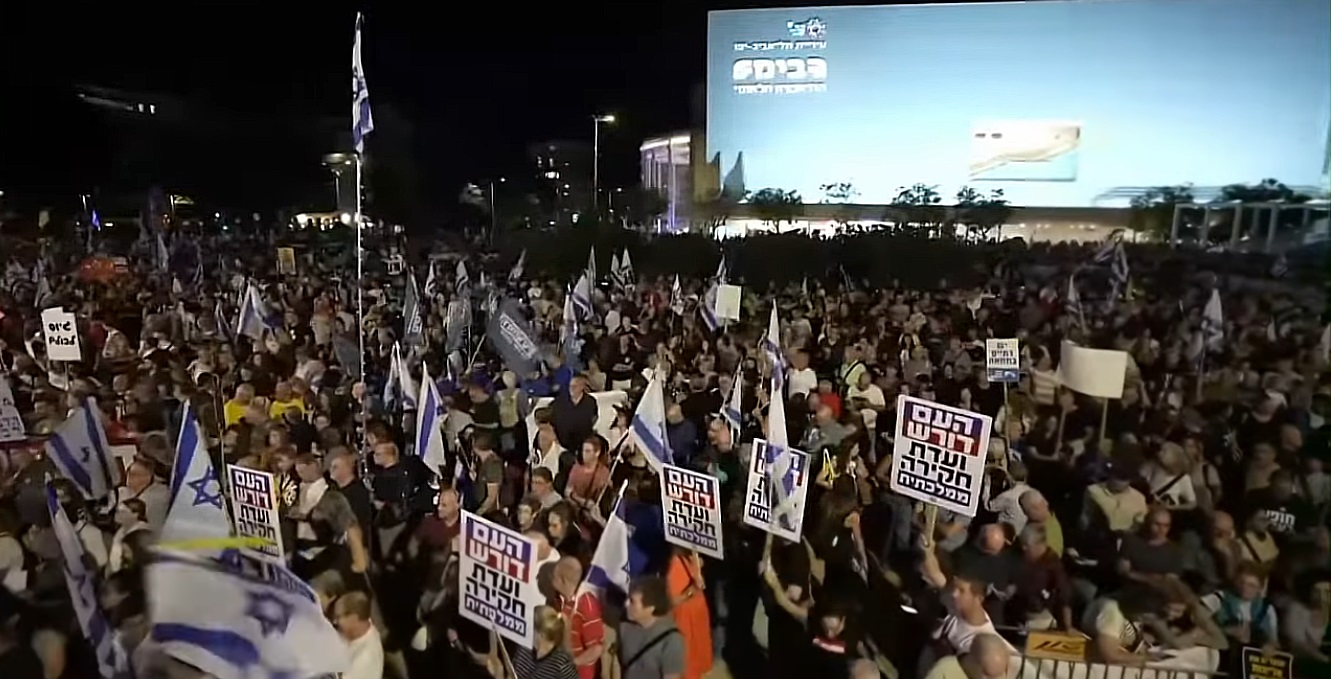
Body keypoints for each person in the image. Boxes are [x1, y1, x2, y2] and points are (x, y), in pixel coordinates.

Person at [618, 575, 686, 679]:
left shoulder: (671, 640)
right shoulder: (624, 626)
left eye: (632, 601)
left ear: (650, 608)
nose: (626, 604)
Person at [665, 546, 712, 679]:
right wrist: (692, 590)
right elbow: (673, 601)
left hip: (697, 617)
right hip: (684, 621)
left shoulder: (693, 558)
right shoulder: (675, 563)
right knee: (687, 663)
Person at [501, 605, 579, 679]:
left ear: (541, 635)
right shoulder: (524, 648)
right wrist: (499, 674)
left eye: (531, 626)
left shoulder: (562, 665)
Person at [335, 591, 385, 679]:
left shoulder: (366, 659)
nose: (336, 622)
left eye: (339, 617)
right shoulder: (362, 626)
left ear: (354, 617)